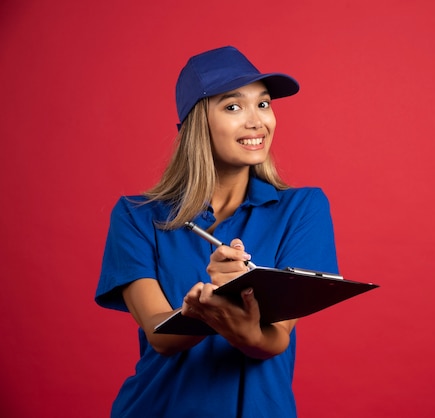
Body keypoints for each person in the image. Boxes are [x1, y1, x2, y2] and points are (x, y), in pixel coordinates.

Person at [95, 46, 338, 417]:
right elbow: (160, 335)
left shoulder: (303, 209)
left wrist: (232, 299)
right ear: (196, 124)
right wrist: (203, 309)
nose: (257, 121)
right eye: (233, 106)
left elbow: (274, 341)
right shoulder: (136, 216)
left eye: (264, 104)